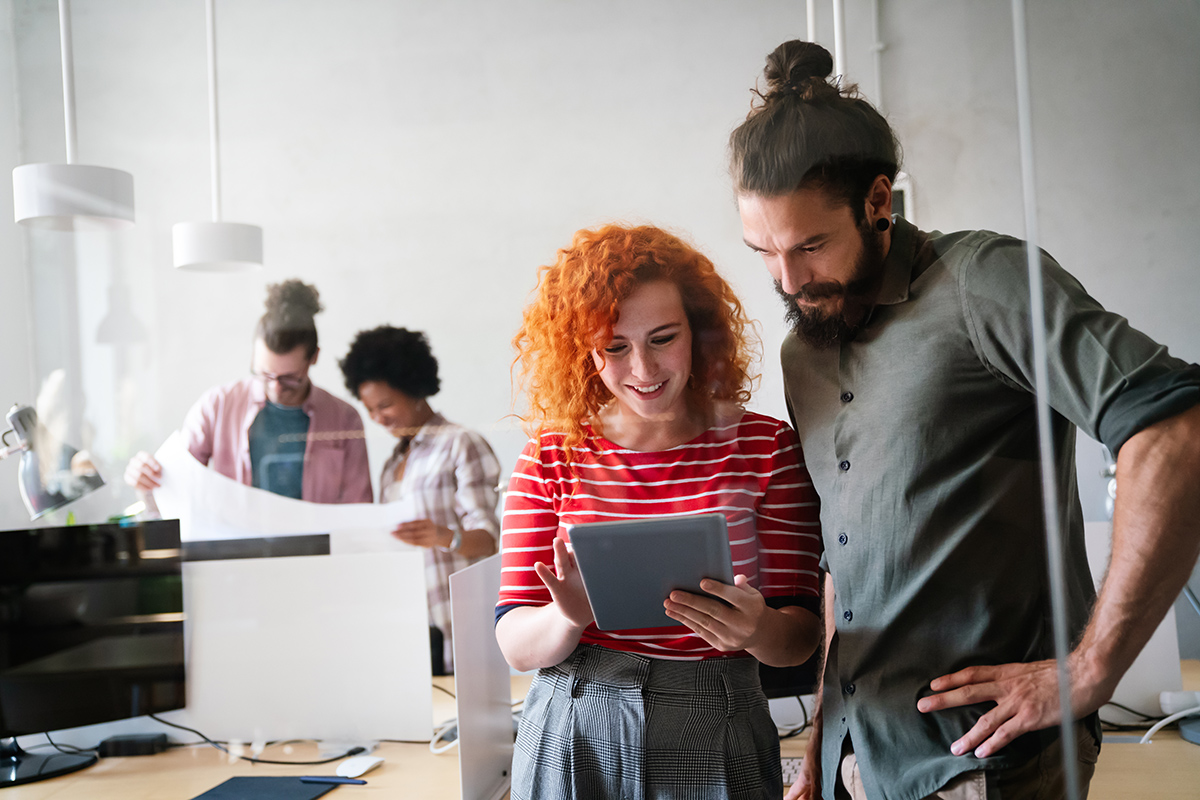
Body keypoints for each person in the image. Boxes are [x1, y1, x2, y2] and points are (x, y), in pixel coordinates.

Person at [728, 40, 1200, 800]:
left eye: (811, 246)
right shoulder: (801, 356)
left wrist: (1091, 669)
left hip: (982, 763)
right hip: (859, 758)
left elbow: (1176, 426)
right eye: (764, 252)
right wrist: (821, 740)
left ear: (879, 202)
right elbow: (842, 564)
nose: (789, 281)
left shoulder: (987, 283)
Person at [495, 223, 823, 799]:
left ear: (699, 333)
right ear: (585, 354)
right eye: (615, 348)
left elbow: (800, 637)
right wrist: (567, 617)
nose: (643, 371)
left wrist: (759, 627)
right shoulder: (552, 456)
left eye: (663, 338)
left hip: (718, 712)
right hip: (575, 720)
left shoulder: (766, 447)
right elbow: (516, 644)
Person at [338, 325, 501, 674]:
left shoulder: (461, 443)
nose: (378, 418)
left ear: (414, 390)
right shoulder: (391, 465)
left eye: (385, 405)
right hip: (408, 630)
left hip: (457, 627)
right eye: (369, 409)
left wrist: (443, 536)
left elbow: (488, 539)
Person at [125, 279, 373, 508]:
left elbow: (359, 511)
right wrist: (147, 482)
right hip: (234, 551)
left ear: (314, 357)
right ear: (253, 356)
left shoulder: (344, 419)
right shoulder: (218, 406)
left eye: (289, 378)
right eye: (264, 374)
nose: (275, 387)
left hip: (319, 554)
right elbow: (173, 490)